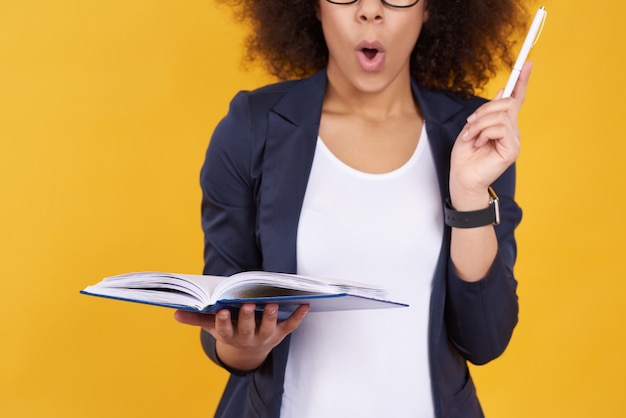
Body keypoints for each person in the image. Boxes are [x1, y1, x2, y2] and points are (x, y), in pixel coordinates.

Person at [175, 0, 530, 416]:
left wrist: (470, 193)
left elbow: (485, 339)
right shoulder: (252, 128)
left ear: (431, 8)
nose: (369, 11)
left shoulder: (472, 135)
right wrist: (242, 345)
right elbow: (226, 314)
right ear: (314, 6)